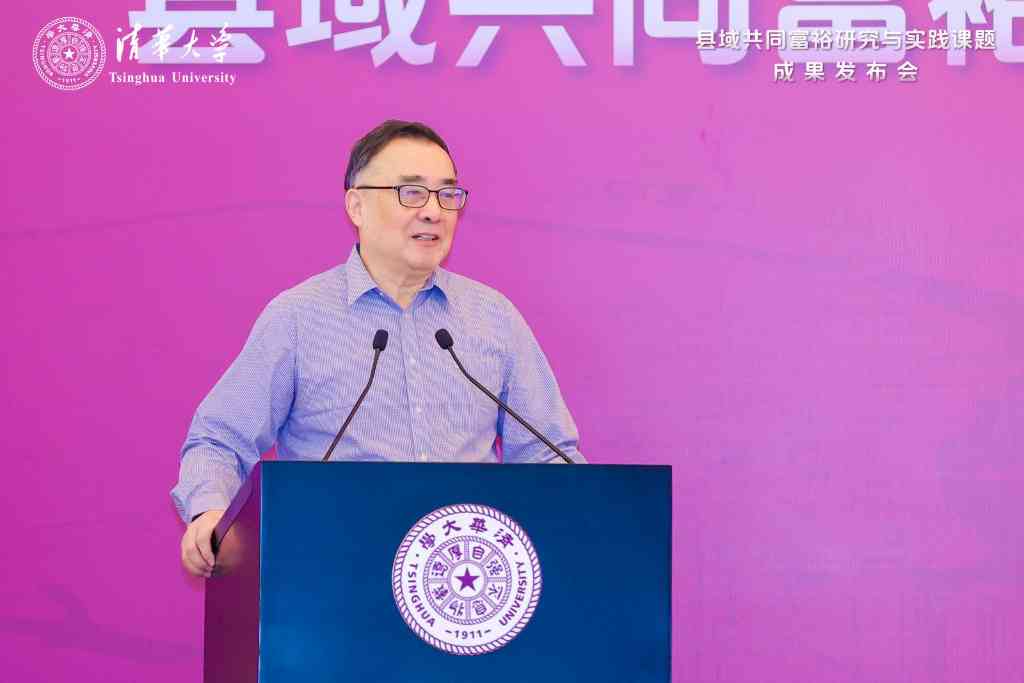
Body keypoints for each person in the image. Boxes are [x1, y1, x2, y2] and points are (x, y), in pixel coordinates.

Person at [175, 120, 584, 578]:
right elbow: (219, 440)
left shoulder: (494, 318)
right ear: (357, 205)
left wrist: (583, 515)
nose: (433, 212)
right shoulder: (297, 318)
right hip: (332, 572)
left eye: (447, 194)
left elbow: (549, 456)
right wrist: (210, 512)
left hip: (465, 581)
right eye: (411, 192)